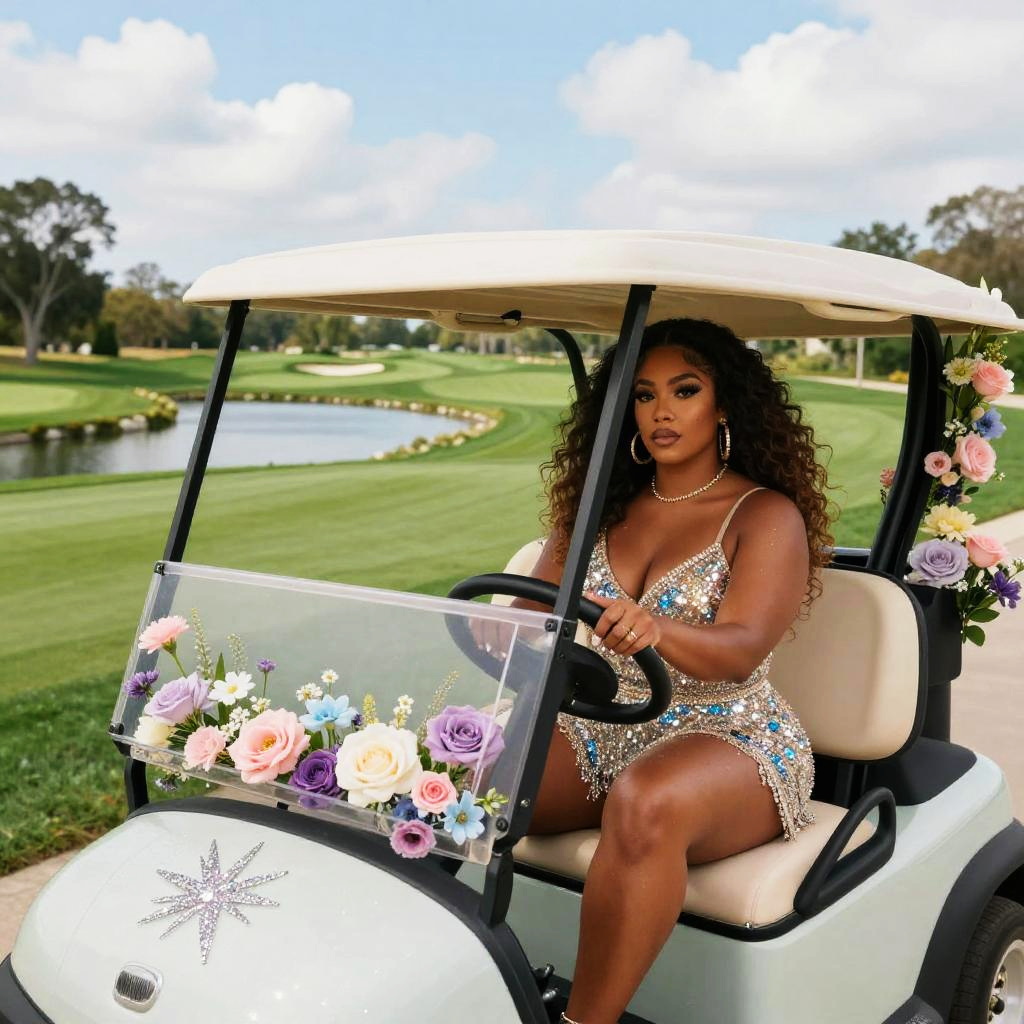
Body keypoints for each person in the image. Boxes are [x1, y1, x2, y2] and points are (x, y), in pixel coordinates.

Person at [521, 317, 833, 1024]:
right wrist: (484, 624)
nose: (661, 411)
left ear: (723, 405)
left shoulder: (764, 514)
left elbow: (741, 648)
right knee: (481, 769)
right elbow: (524, 614)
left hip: (731, 731)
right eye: (644, 394)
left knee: (647, 801)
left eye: (684, 391)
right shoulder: (595, 511)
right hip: (605, 721)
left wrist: (656, 629)